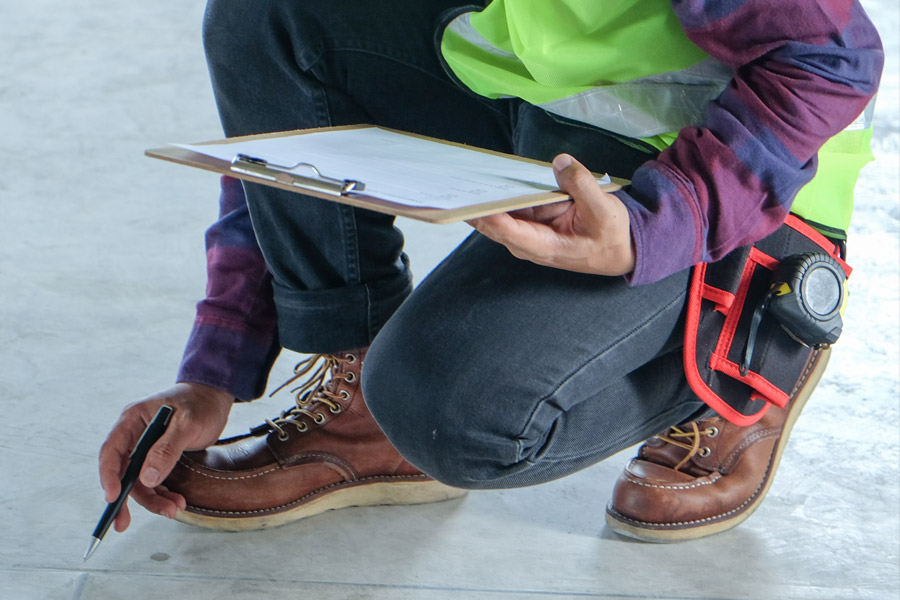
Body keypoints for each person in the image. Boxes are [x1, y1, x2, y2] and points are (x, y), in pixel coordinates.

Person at [98, 0, 883, 541]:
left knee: (458, 408)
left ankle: (751, 339)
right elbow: (288, 130)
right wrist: (216, 368)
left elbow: (833, 58)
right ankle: (361, 390)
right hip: (558, 124)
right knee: (268, 16)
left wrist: (660, 223)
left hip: (743, 182)